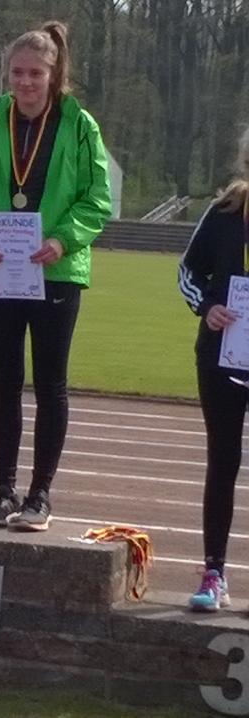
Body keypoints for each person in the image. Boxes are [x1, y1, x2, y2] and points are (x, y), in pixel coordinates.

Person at [0, 21, 111, 532]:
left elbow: (97, 198)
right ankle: (3, 491)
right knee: (5, 382)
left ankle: (40, 495)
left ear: (53, 73)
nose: (25, 82)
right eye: (17, 72)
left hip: (56, 269)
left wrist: (64, 239)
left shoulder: (79, 124)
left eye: (35, 73)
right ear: (7, 73)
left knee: (50, 383)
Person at [178, 126, 249, 612]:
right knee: (222, 461)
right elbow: (188, 271)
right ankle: (213, 573)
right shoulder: (225, 211)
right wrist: (207, 307)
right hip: (221, 356)